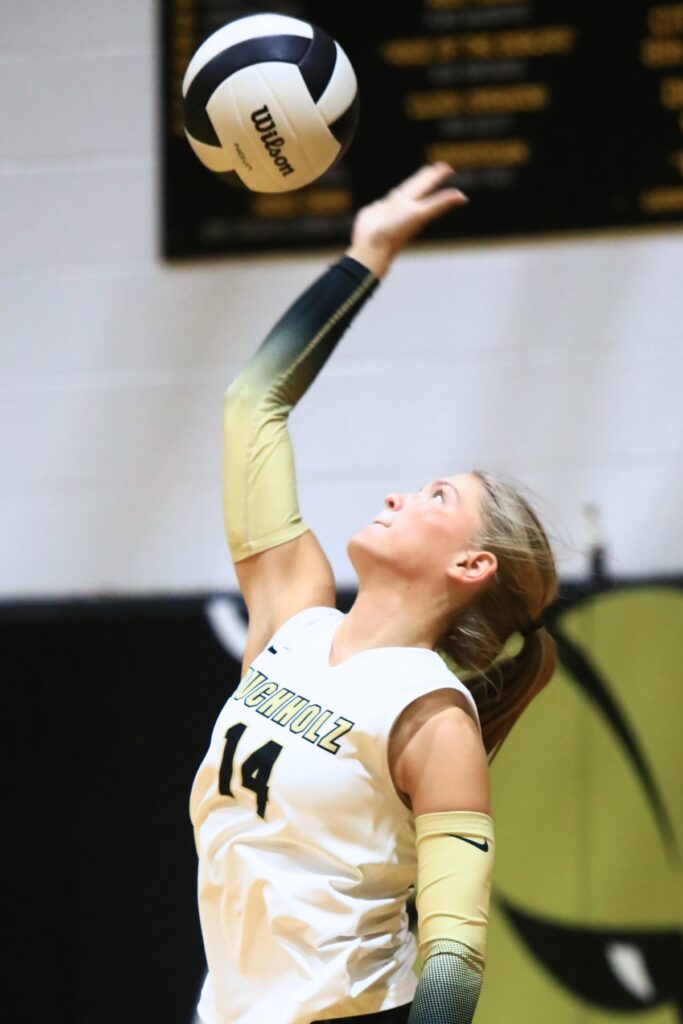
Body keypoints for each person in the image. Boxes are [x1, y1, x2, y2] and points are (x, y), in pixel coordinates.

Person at [190, 162, 559, 1024]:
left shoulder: (432, 718)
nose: (398, 494)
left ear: (471, 567)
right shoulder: (293, 613)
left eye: (437, 497)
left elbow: (455, 959)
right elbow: (253, 404)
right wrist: (364, 255)